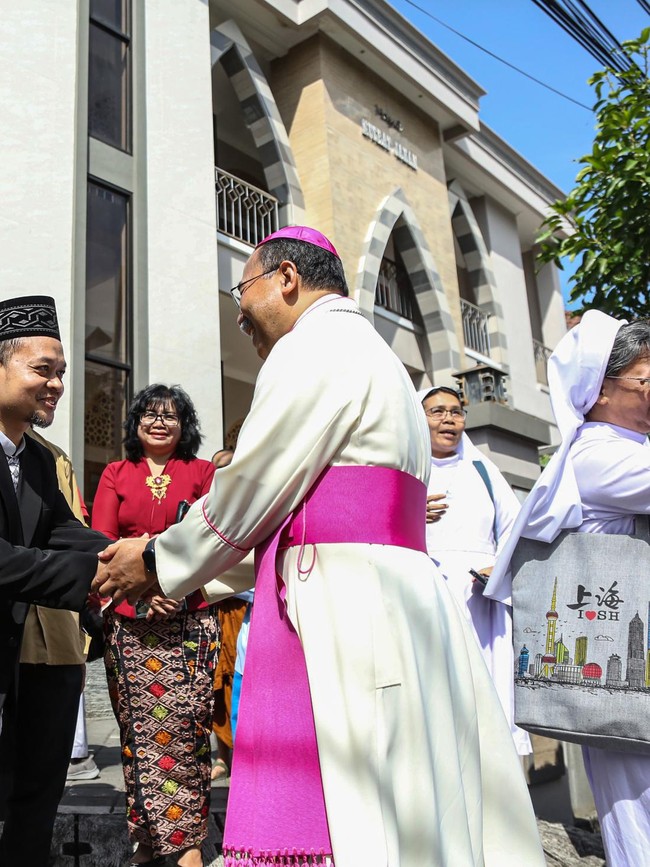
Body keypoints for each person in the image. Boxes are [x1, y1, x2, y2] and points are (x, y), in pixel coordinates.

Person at [94, 227, 544, 867]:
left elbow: (253, 483)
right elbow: (314, 511)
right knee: (409, 797)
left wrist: (160, 560)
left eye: (241, 289)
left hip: (342, 604)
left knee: (349, 801)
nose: (240, 311)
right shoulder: (382, 358)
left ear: (284, 278)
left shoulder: (313, 348)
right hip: (399, 594)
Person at [488, 311, 650, 867]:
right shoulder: (601, 455)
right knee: (639, 813)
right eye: (647, 380)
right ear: (601, 390)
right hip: (629, 682)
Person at [0, 295, 108, 866]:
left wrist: (147, 559)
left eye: (61, 372)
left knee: (37, 791)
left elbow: (68, 531)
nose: (57, 385)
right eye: (42, 370)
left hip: (39, 650)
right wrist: (97, 573)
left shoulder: (39, 459)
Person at [91, 384, 218, 867]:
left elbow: (214, 540)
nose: (159, 422)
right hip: (130, 623)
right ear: (135, 424)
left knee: (186, 731)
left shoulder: (204, 473)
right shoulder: (115, 473)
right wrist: (147, 592)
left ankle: (185, 847)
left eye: (171, 415)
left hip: (190, 619)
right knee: (138, 733)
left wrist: (174, 584)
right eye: (149, 414)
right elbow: (101, 545)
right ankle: (147, 843)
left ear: (185, 426)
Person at [420, 385, 530, 754]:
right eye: (437, 411)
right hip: (427, 596)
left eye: (456, 411)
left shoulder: (484, 470)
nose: (449, 418)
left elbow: (517, 528)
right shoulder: (406, 471)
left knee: (488, 695)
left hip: (480, 601)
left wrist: (496, 567)